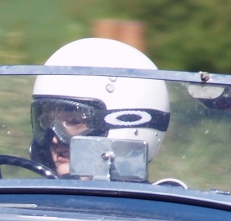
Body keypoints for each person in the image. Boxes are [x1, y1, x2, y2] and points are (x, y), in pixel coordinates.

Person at [29, 38, 171, 178]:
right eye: (45, 121)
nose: (54, 138)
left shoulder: (159, 201)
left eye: (73, 121)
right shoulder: (39, 199)